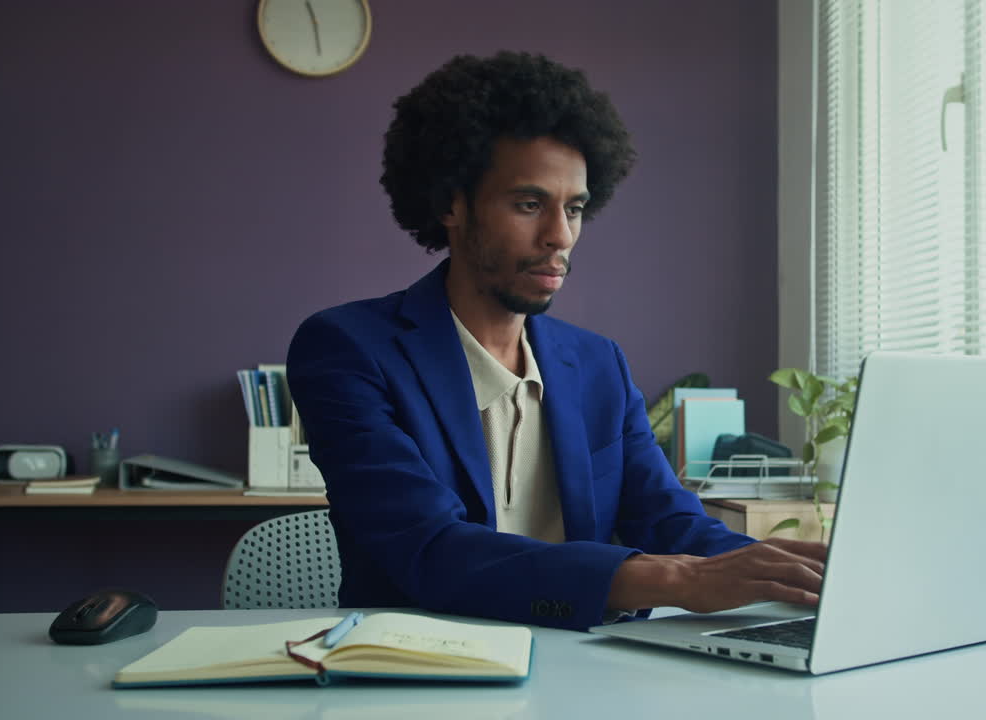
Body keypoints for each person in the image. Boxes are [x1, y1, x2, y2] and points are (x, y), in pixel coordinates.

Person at [287, 51, 825, 631]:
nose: (559, 236)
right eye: (528, 204)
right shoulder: (348, 349)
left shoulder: (597, 364)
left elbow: (668, 520)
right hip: (412, 670)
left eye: (574, 209)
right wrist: (674, 579)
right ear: (451, 204)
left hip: (581, 671)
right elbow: (429, 548)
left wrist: (785, 570)